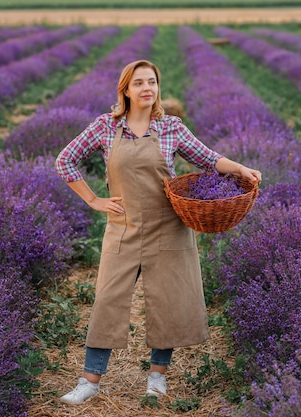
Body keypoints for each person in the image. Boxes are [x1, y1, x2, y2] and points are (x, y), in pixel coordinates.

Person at [54, 59, 262, 405]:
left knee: (167, 302)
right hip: (123, 227)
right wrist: (93, 200)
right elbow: (65, 160)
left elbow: (209, 159)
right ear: (126, 89)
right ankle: (89, 381)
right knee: (107, 300)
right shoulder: (105, 127)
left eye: (151, 82)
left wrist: (241, 168)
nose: (146, 88)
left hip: (169, 228)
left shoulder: (171, 128)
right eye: (138, 83)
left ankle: (157, 378)